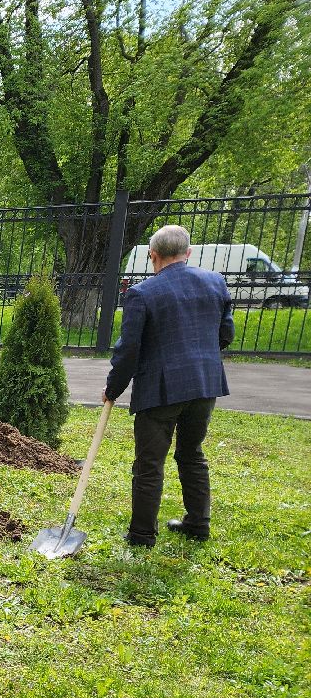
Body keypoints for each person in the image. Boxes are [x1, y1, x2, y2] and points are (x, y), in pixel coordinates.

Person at [104, 224, 232, 547]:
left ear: (153, 255)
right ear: (187, 253)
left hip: (160, 391)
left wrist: (113, 389)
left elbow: (128, 351)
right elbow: (226, 335)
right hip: (204, 385)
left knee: (149, 463)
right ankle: (198, 524)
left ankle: (142, 535)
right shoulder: (215, 283)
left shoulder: (142, 293)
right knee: (192, 454)